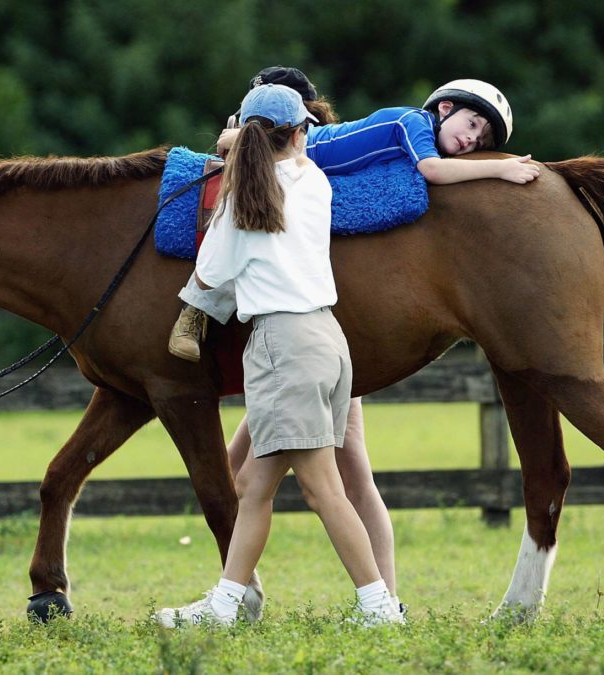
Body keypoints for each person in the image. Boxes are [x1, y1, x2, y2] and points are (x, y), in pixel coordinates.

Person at [155, 83, 403, 628]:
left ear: (245, 138)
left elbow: (212, 273)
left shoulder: (240, 199)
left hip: (282, 346)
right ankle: (223, 606)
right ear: (299, 134)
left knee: (322, 489)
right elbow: (284, 157)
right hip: (328, 343)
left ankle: (380, 607)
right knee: (252, 486)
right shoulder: (313, 181)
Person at [167, 71, 537, 362]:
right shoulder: (415, 122)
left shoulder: (421, 133)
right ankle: (195, 311)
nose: (474, 142)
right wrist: (499, 170)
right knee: (240, 214)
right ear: (445, 109)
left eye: (483, 142)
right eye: (472, 125)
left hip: (308, 155)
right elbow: (433, 171)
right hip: (300, 147)